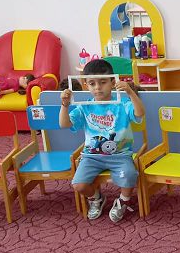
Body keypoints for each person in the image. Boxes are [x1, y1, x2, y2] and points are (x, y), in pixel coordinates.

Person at [59, 58, 145, 223]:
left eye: (103, 82)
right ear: (86, 85)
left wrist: (130, 92)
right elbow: (64, 124)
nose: (97, 87)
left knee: (130, 176)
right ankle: (97, 198)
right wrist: (64, 104)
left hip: (120, 155)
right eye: (92, 83)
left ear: (112, 82)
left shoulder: (122, 103)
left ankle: (123, 201)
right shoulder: (85, 106)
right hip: (92, 156)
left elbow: (140, 113)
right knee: (78, 185)